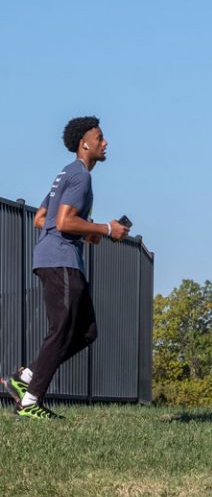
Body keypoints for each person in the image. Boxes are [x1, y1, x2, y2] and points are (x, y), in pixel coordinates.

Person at [2, 116, 130, 419]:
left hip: (60, 258)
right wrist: (106, 230)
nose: (105, 142)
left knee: (86, 332)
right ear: (84, 143)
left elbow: (40, 219)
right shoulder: (80, 176)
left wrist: (88, 232)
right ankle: (30, 402)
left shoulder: (65, 175)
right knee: (61, 330)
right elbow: (61, 222)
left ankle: (27, 378)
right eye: (99, 138)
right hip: (59, 260)